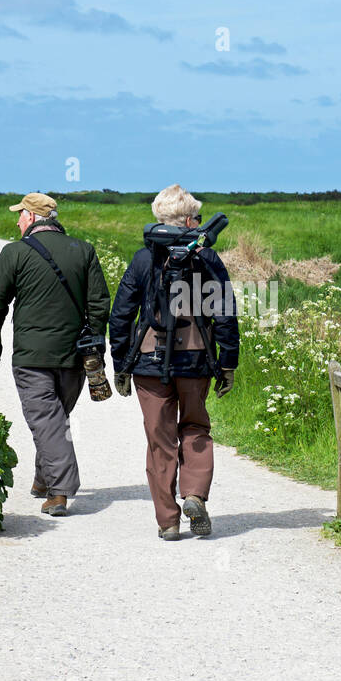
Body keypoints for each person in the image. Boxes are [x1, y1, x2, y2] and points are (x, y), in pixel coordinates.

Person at [108, 184, 239, 541]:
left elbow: (121, 315)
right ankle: (194, 493)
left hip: (148, 364)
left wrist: (121, 362)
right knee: (195, 427)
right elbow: (225, 313)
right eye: (197, 216)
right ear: (187, 219)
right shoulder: (207, 258)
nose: (199, 221)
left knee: (159, 439)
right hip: (196, 361)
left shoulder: (142, 258)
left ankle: (168, 521)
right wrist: (227, 364)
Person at [0, 192, 110, 518]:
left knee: (47, 422)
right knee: (52, 420)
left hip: (31, 358)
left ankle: (60, 491)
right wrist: (93, 344)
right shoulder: (84, 251)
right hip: (74, 360)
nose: (17, 221)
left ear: (34, 217)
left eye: (21, 215)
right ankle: (43, 478)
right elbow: (99, 303)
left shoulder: (15, 253)